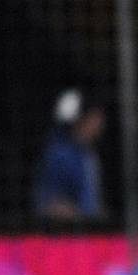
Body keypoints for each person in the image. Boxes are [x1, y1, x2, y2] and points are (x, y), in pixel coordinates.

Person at [33, 88, 106, 224]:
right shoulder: (60, 155)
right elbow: (51, 204)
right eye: (96, 117)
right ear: (82, 119)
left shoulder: (88, 155)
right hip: (68, 235)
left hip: (89, 232)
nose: (101, 122)